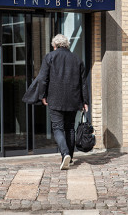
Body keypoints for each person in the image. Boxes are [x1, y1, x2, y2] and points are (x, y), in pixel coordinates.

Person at [37, 34, 89, 170]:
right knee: (70, 128)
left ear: (55, 45)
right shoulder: (77, 59)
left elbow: (43, 78)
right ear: (67, 45)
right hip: (73, 99)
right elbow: (83, 83)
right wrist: (85, 101)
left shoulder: (50, 57)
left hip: (55, 98)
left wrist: (42, 95)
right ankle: (70, 157)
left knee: (58, 128)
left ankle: (65, 153)